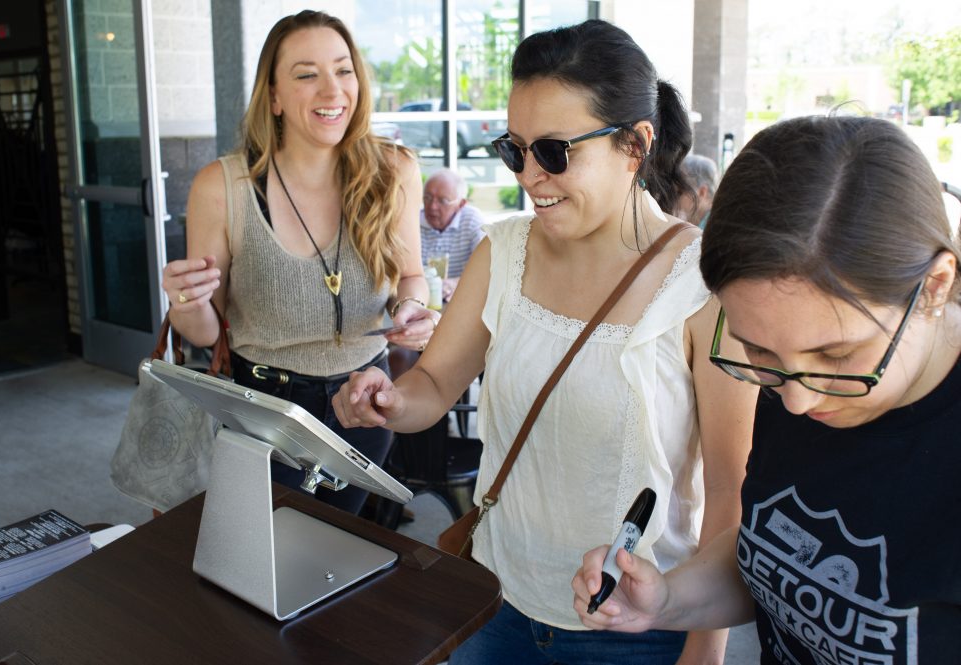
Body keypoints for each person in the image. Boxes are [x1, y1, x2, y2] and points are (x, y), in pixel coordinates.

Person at [333, 19, 757, 664]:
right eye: (515, 150)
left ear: (635, 144)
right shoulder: (501, 252)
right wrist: (390, 399)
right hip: (493, 597)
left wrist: (705, 648)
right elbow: (436, 383)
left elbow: (730, 489)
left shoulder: (701, 285)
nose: (531, 176)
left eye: (556, 151)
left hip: (634, 626)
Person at [572, 115, 961, 665]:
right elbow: (774, 545)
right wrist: (668, 600)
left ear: (935, 287)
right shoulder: (794, 387)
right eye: (759, 353)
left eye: (838, 356)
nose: (798, 401)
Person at [159, 10, 436, 516]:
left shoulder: (394, 170)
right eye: (307, 75)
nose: (333, 91)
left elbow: (410, 276)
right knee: (267, 558)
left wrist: (412, 309)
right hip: (263, 410)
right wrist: (184, 299)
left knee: (340, 555)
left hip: (362, 402)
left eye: (344, 70)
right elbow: (202, 332)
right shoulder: (223, 187)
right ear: (274, 97)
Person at [420, 168, 487, 301]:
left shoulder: (472, 220)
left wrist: (455, 283)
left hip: (461, 300)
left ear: (461, 204)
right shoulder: (412, 222)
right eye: (427, 198)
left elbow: (487, 268)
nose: (432, 206)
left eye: (442, 201)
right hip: (421, 299)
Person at [673, 153, 718, 228]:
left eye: (679, 192)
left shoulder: (716, 226)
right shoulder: (694, 220)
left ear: (702, 192)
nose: (674, 196)